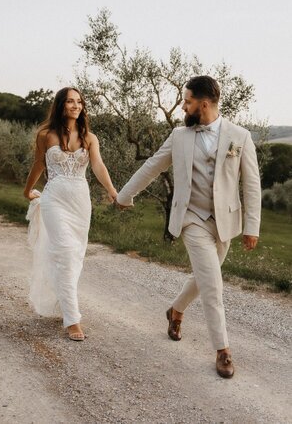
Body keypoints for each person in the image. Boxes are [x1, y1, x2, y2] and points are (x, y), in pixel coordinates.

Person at [116, 75, 261, 378]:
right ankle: (222, 350)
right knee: (212, 285)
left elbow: (252, 185)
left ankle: (176, 310)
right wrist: (125, 194)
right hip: (192, 219)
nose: (183, 105)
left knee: (204, 278)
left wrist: (252, 226)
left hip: (224, 222)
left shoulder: (240, 136)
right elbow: (152, 165)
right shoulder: (179, 137)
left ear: (204, 104)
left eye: (187, 101)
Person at [24, 87, 117, 341]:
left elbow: (97, 165)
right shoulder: (45, 134)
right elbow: (39, 163)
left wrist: (111, 191)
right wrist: (28, 189)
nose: (75, 105)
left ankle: (62, 299)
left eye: (79, 102)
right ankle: (72, 319)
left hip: (80, 202)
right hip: (54, 199)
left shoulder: (90, 138)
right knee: (65, 251)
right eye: (69, 101)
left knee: (74, 256)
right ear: (60, 105)